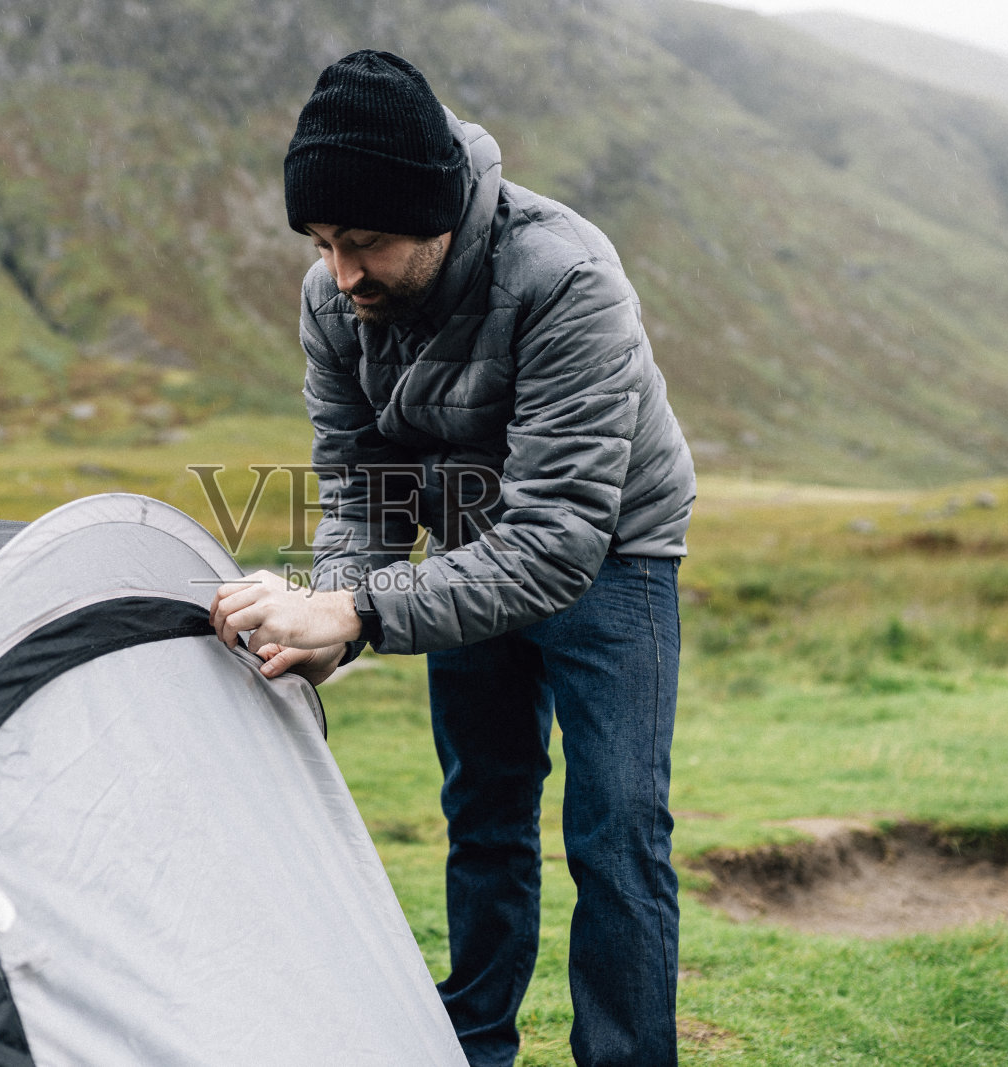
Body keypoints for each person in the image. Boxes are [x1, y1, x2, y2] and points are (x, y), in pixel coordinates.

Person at [209, 50, 695, 1067]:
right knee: (481, 813)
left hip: (610, 551)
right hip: (469, 547)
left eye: (366, 242)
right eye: (323, 243)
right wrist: (331, 606)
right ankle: (471, 1046)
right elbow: (360, 482)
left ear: (437, 217)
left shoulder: (565, 275)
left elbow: (558, 539)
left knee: (614, 834)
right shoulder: (332, 298)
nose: (343, 275)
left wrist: (361, 615)